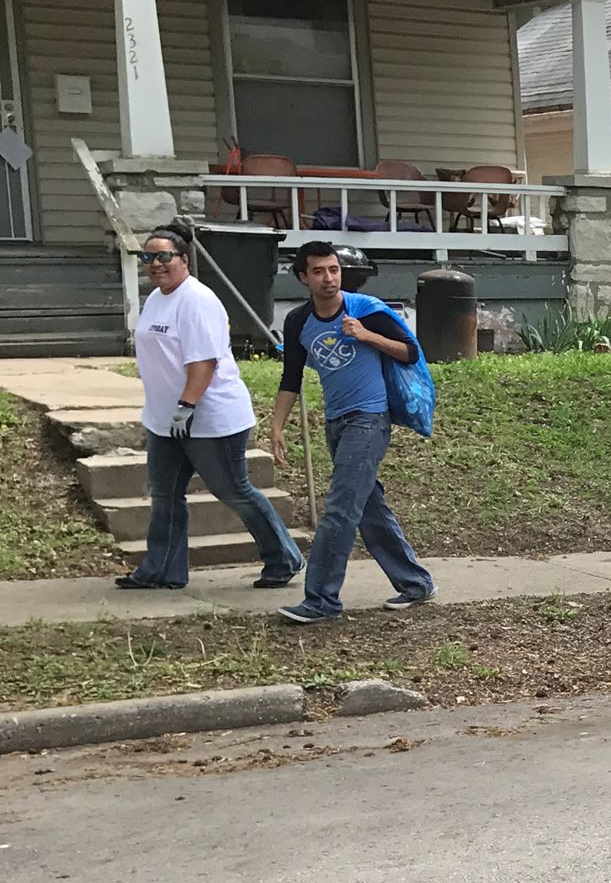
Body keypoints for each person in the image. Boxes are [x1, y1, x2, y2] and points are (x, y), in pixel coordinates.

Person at [117, 224, 303, 592]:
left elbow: (204, 363)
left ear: (184, 260)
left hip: (209, 418)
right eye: (148, 257)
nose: (155, 263)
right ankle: (162, 570)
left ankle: (284, 557)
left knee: (234, 490)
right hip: (164, 421)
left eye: (164, 256)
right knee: (165, 495)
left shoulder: (197, 300)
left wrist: (187, 406)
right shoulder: (157, 297)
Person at [267, 242, 436, 624]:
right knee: (369, 509)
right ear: (302, 278)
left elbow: (411, 352)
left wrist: (367, 336)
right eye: (319, 272)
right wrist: (277, 426)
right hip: (336, 422)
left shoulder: (366, 310)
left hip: (370, 419)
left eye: (334, 270)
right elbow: (290, 377)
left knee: (340, 510)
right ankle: (415, 582)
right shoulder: (298, 321)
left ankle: (322, 600)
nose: (329, 278)